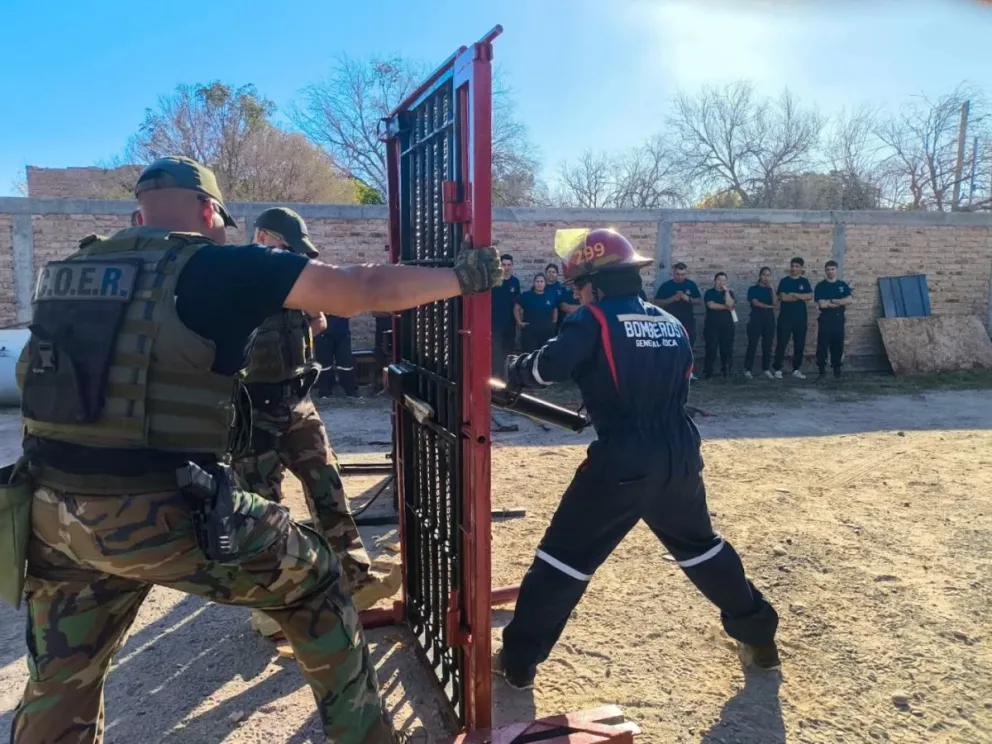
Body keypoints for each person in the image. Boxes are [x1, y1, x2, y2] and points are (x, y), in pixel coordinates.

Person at [8, 155, 501, 744]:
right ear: (210, 210)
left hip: (46, 514)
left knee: (61, 679)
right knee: (317, 575)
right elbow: (357, 288)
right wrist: (461, 276)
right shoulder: (215, 265)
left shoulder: (67, 271)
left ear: (138, 211)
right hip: (154, 512)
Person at [494, 228, 779, 691]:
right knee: (703, 550)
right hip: (680, 452)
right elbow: (678, 381)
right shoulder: (671, 323)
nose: (579, 295)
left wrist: (512, 369)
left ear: (597, 283)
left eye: (580, 286)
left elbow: (547, 369)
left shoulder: (593, 320)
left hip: (624, 457)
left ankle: (519, 661)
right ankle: (760, 637)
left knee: (563, 560)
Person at [235, 206, 401, 642]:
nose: (293, 257)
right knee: (262, 511)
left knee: (328, 488)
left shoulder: (295, 276)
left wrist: (308, 311)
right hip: (252, 410)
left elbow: (321, 321)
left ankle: (355, 577)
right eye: (286, 247)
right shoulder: (238, 276)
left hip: (297, 401)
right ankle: (271, 605)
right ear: (265, 238)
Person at [653, 262, 702, 379]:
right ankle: (670, 373)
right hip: (670, 322)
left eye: (682, 274)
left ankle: (689, 372)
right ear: (673, 272)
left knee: (689, 346)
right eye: (678, 274)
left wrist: (687, 299)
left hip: (688, 321)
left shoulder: (691, 285)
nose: (680, 277)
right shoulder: (666, 286)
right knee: (671, 347)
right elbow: (657, 302)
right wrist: (672, 299)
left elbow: (699, 301)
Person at [773, 257, 813, 380]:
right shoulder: (784, 281)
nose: (794, 268)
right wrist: (801, 297)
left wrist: (795, 294)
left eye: (796, 266)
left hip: (800, 318)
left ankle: (796, 369)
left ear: (801, 268)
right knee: (782, 343)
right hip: (785, 318)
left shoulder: (804, 282)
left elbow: (810, 296)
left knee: (799, 344)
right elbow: (783, 298)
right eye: (792, 266)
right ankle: (777, 369)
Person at [814, 260, 853, 378]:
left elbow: (849, 300)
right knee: (822, 345)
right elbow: (822, 304)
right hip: (825, 319)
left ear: (836, 270)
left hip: (839, 319)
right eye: (828, 269)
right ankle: (821, 371)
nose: (830, 272)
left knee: (838, 344)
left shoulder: (842, 285)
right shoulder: (820, 286)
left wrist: (833, 301)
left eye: (832, 269)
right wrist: (840, 302)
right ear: (825, 271)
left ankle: (837, 369)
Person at [314, 314, 360, 397]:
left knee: (345, 361)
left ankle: (351, 392)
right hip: (323, 331)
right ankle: (325, 392)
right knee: (324, 364)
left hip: (342, 330)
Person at [743, 267, 777, 379]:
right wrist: (769, 306)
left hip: (769, 320)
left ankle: (766, 369)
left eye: (768, 275)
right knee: (752, 344)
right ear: (760, 276)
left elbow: (775, 303)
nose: (766, 277)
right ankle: (748, 369)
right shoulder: (753, 289)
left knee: (767, 346)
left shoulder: (770, 290)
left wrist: (772, 290)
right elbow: (755, 303)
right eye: (764, 275)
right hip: (756, 320)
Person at [491, 253, 521, 376]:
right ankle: (496, 374)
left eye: (509, 265)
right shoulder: (494, 282)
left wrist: (518, 321)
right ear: (500, 265)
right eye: (503, 265)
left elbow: (517, 305)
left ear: (512, 266)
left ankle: (507, 375)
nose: (506, 267)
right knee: (496, 351)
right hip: (495, 323)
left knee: (508, 350)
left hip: (510, 324)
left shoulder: (515, 282)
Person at [702, 272, 736, 379]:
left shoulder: (729, 292)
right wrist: (726, 307)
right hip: (712, 326)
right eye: (719, 280)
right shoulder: (709, 292)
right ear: (715, 281)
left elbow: (731, 304)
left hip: (727, 326)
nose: (721, 282)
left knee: (726, 349)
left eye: (724, 280)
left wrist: (726, 292)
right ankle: (708, 371)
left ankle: (726, 371)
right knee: (711, 348)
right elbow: (711, 305)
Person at [514, 273, 559, 352]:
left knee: (544, 357)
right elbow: (516, 308)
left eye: (541, 281)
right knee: (529, 357)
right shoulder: (526, 295)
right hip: (529, 333)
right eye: (537, 281)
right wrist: (519, 322)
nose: (539, 284)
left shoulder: (550, 296)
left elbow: (555, 309)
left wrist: (554, 322)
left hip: (546, 333)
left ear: (545, 284)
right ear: (534, 283)